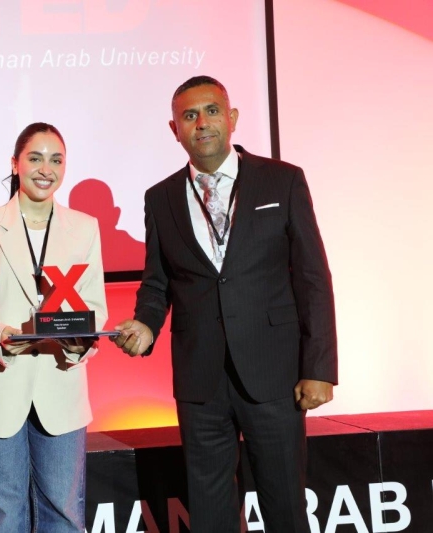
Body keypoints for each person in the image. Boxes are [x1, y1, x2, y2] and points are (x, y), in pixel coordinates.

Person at [114, 76, 337, 532]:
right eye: (189, 115)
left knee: (285, 509)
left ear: (231, 118)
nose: (202, 123)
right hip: (200, 381)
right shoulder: (160, 198)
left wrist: (319, 367)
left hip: (274, 374)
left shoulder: (283, 180)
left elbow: (313, 278)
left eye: (212, 111)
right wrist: (146, 325)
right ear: (174, 129)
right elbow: (157, 284)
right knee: (210, 513)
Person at [0, 122, 108, 532]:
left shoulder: (84, 227)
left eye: (56, 160)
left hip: (60, 383)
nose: (46, 169)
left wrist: (80, 342)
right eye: (35, 158)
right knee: (4, 518)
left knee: (65, 515)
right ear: (15, 163)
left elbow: (93, 306)